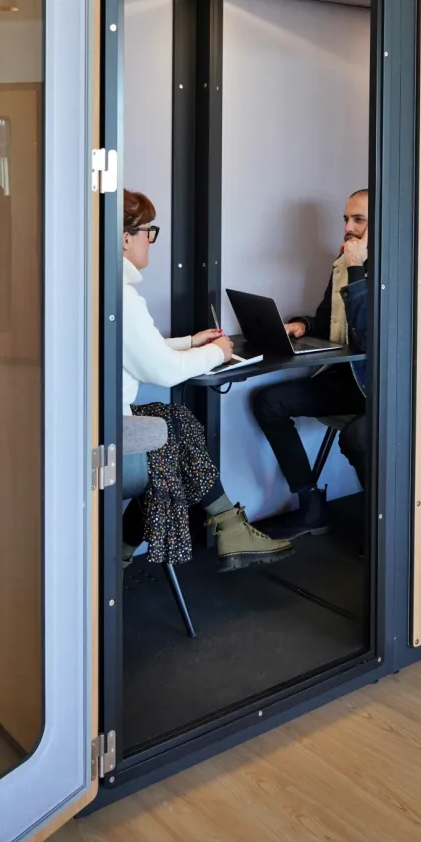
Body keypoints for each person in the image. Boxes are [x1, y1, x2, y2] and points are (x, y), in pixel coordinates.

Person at [122, 189, 291, 571]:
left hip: (103, 422)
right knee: (172, 440)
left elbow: (133, 350)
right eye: (148, 231)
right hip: (112, 435)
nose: (151, 240)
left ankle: (222, 527)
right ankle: (225, 528)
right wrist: (217, 352)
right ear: (125, 238)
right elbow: (163, 371)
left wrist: (190, 342)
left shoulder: (104, 284)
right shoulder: (123, 296)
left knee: (175, 424)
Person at [252, 189, 369, 539]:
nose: (348, 227)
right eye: (346, 219)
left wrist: (358, 269)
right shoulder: (342, 265)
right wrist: (303, 325)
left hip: (378, 387)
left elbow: (368, 336)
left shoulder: (391, 267)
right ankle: (311, 505)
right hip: (348, 380)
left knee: (357, 436)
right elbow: (329, 320)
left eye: (358, 220)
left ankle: (387, 522)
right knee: (268, 402)